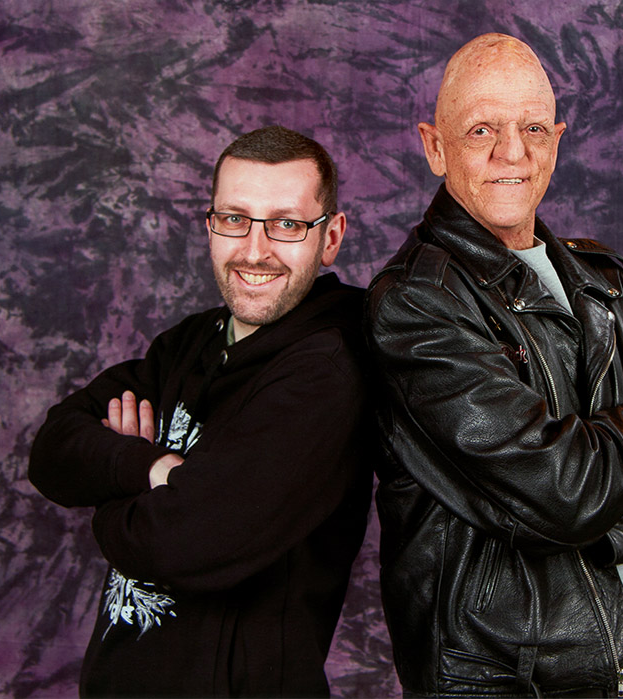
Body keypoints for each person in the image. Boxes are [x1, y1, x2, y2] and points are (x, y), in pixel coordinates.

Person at [364, 33, 623, 697]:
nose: (512, 152)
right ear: (434, 145)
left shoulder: (603, 280)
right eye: (481, 128)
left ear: (558, 141)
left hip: (619, 657)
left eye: (533, 127)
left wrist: (597, 522)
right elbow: (564, 489)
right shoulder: (414, 305)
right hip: (497, 678)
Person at [29, 125, 373, 697]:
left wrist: (110, 501)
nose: (255, 250)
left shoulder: (326, 372)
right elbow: (53, 449)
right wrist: (153, 470)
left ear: (330, 237)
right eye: (235, 219)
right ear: (211, 226)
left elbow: (184, 542)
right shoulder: (189, 344)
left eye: (287, 224)